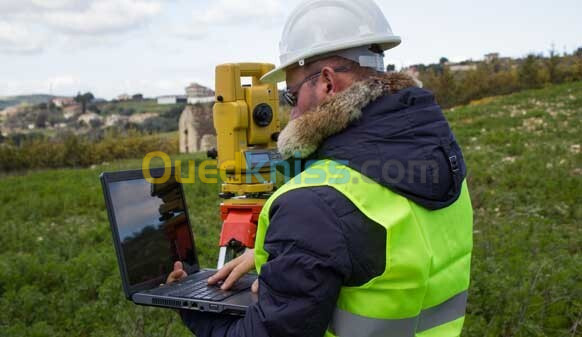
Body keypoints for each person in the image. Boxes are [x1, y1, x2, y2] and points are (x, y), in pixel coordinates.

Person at [167, 0, 473, 336]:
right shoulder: (443, 162)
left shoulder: (313, 203)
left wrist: (189, 305)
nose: (293, 112)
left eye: (292, 95)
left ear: (327, 83)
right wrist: (290, 256)